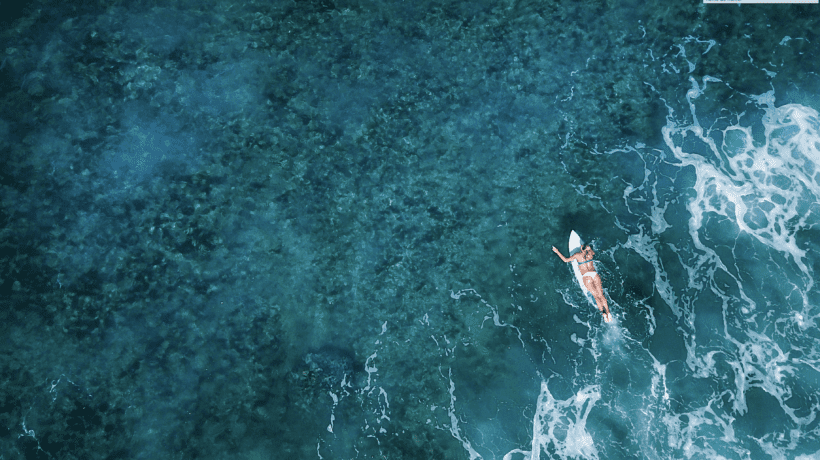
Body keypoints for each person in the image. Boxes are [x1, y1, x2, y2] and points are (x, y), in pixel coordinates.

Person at [552, 244, 612, 323]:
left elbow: (565, 260)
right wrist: (588, 249)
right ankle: (608, 312)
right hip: (594, 275)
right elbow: (591, 251)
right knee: (601, 295)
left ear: (581, 248)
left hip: (586, 277)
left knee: (596, 296)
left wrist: (557, 251)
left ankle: (603, 314)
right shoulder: (591, 253)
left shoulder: (578, 255)